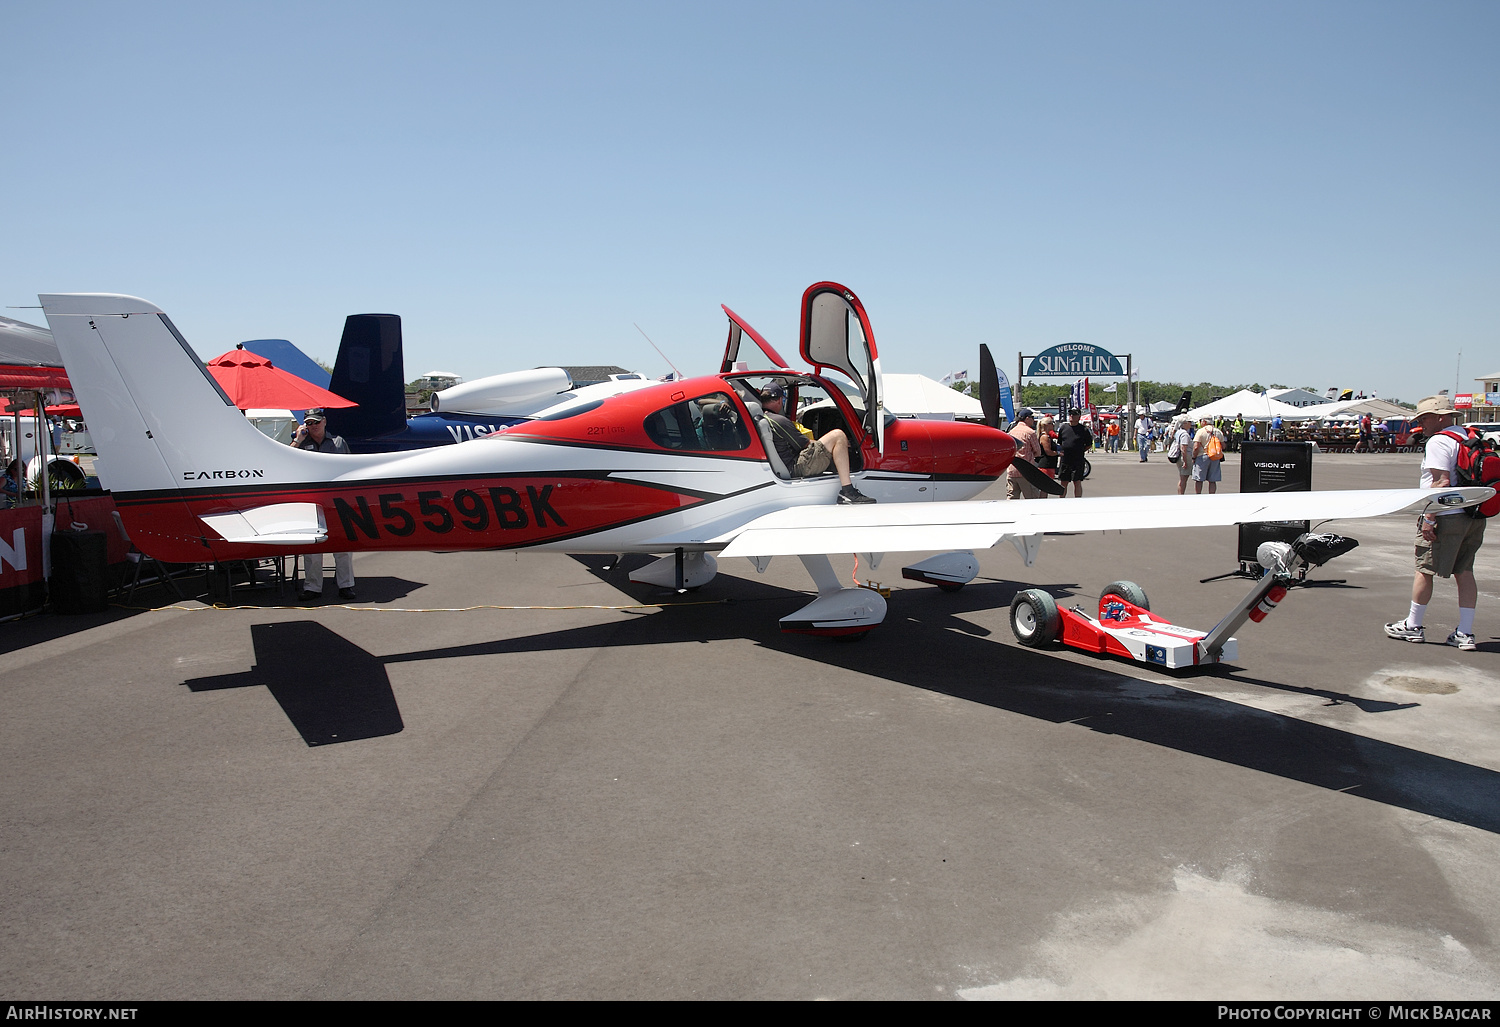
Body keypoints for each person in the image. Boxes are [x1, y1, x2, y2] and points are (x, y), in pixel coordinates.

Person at [1384, 395, 1484, 650]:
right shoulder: (1468, 437)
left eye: (1425, 418)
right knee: (1465, 571)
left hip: (1446, 516)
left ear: (1441, 417)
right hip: (1472, 514)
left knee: (1424, 569)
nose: (1421, 424)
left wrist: (1429, 518)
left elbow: (1440, 483)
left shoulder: (1440, 441)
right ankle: (1465, 632)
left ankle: (1413, 625)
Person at [760, 383, 874, 505]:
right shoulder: (779, 420)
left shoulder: (764, 418)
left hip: (786, 465)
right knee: (838, 435)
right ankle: (848, 492)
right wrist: (840, 444)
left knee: (832, 443)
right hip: (796, 467)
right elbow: (805, 444)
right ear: (780, 400)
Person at [291, 409, 357, 600]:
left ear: (324, 421)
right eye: (309, 423)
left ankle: (346, 585)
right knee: (313, 548)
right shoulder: (301, 444)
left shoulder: (338, 442)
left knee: (343, 546)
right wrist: (298, 439)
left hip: (337, 500)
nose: (313, 426)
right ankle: (312, 587)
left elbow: (349, 469)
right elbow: (285, 460)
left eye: (316, 422)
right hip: (311, 500)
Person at [1005, 407, 1042, 500]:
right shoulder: (1030, 432)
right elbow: (1038, 452)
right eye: (1032, 418)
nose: (1034, 420)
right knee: (1032, 499)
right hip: (1026, 471)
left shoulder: (1011, 431)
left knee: (1012, 499)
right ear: (1027, 418)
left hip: (1012, 470)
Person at [1056, 407, 1093, 498]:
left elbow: (1088, 444)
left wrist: (1080, 451)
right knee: (1064, 482)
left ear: (1079, 416)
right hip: (1065, 459)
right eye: (1070, 414)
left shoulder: (1083, 430)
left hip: (1078, 460)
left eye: (1074, 414)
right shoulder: (1063, 428)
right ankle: (1061, 500)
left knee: (1077, 481)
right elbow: (1060, 442)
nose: (1072, 416)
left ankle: (1078, 500)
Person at [1190, 416, 1225, 495]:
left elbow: (1196, 447)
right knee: (1212, 480)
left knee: (1199, 479)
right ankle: (1211, 496)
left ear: (1204, 422)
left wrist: (1193, 457)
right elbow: (1223, 445)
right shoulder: (1218, 431)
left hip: (1202, 456)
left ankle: (1198, 495)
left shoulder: (1201, 431)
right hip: (1214, 456)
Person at [1036, 415, 1060, 495]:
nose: (1053, 425)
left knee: (1046, 489)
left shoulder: (1048, 436)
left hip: (1050, 465)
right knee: (1044, 489)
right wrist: (1059, 453)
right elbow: (1048, 452)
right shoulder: (1044, 437)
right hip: (1045, 466)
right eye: (1051, 423)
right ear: (1046, 425)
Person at [1171, 417, 1193, 495]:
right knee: (1183, 478)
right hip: (1184, 457)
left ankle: (1181, 494)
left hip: (1180, 456)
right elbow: (1183, 448)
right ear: (1184, 424)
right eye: (1189, 422)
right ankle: (1181, 495)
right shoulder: (1184, 434)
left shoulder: (1178, 432)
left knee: (1183, 478)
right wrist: (1185, 462)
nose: (1191, 423)